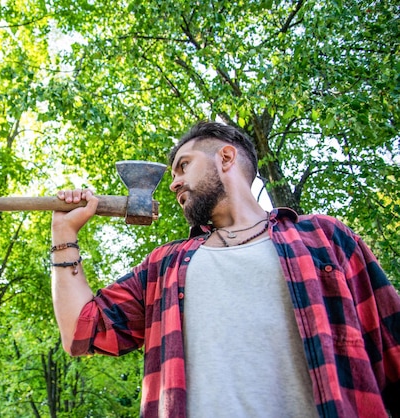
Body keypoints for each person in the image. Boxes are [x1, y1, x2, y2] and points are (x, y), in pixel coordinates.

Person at [50, 121, 400, 417]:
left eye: (184, 166)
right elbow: (82, 332)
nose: (173, 184)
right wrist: (63, 233)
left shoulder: (324, 238)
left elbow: (393, 347)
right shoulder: (164, 266)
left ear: (226, 157)